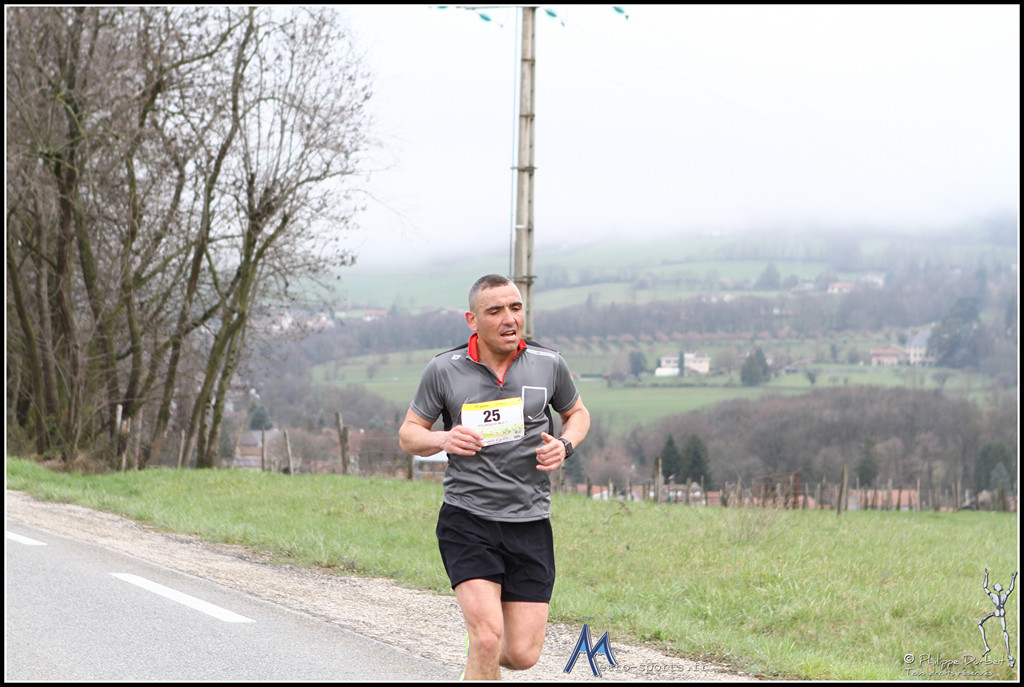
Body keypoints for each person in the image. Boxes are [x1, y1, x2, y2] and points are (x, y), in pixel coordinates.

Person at [399, 274, 590, 680]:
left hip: (530, 522)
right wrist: (444, 438)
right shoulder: (444, 369)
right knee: (487, 638)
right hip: (468, 520)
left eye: (515, 308)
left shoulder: (549, 363)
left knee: (520, 654)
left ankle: (480, 658)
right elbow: (409, 434)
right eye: (495, 311)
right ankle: (482, 648)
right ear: (472, 320)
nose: (509, 319)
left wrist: (565, 444)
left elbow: (577, 413)